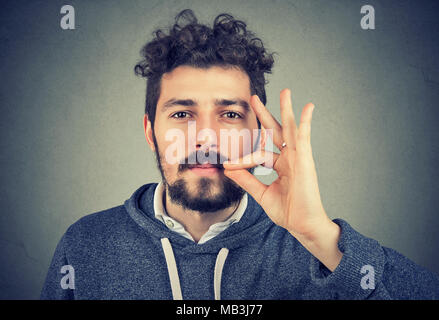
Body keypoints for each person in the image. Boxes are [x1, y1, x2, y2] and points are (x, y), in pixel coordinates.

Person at [41, 9, 439, 300]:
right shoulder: (86, 245)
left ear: (259, 132)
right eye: (182, 114)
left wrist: (320, 235)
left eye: (229, 114)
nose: (206, 137)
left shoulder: (312, 248)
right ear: (151, 132)